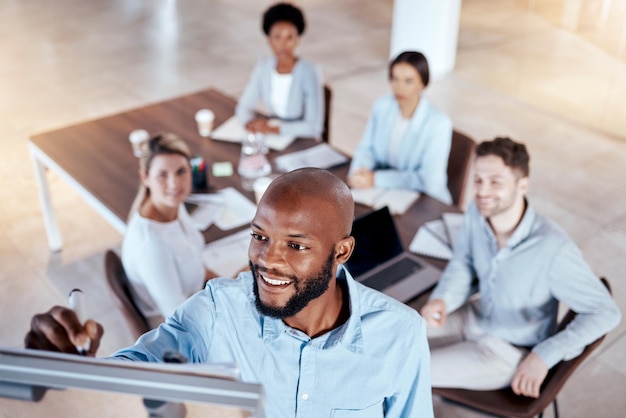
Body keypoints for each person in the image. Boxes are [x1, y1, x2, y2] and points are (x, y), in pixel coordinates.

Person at [26, 168, 433, 417]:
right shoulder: (218, 310)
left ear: (341, 251)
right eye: (259, 236)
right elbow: (140, 368)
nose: (268, 260)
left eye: (296, 245)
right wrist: (74, 371)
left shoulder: (400, 334)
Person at [420, 137, 621, 398]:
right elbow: (463, 262)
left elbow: (605, 312)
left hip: (507, 351)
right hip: (474, 317)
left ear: (522, 185)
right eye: (478, 180)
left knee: (407, 368)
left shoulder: (553, 249)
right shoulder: (476, 213)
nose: (482, 191)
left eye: (495, 182)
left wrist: (544, 356)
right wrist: (443, 299)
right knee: (394, 337)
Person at [122, 133, 217, 328]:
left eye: (181, 171)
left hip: (198, 295)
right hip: (180, 325)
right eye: (162, 175)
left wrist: (228, 284)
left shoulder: (173, 205)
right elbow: (180, 318)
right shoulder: (151, 246)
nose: (174, 184)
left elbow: (195, 260)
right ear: (145, 177)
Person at [348, 51, 453, 204]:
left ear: (422, 83)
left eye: (408, 81)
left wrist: (376, 179)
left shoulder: (439, 123)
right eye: (395, 79)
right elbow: (366, 148)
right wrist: (359, 172)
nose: (399, 87)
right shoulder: (382, 105)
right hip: (382, 193)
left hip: (424, 200)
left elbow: (428, 180)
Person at [235, 2, 324, 139]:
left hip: (299, 141)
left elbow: (314, 127)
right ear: (269, 39)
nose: (283, 45)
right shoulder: (263, 67)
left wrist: (274, 129)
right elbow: (245, 106)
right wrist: (249, 123)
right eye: (277, 37)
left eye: (289, 38)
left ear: (297, 39)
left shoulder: (309, 72)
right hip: (272, 139)